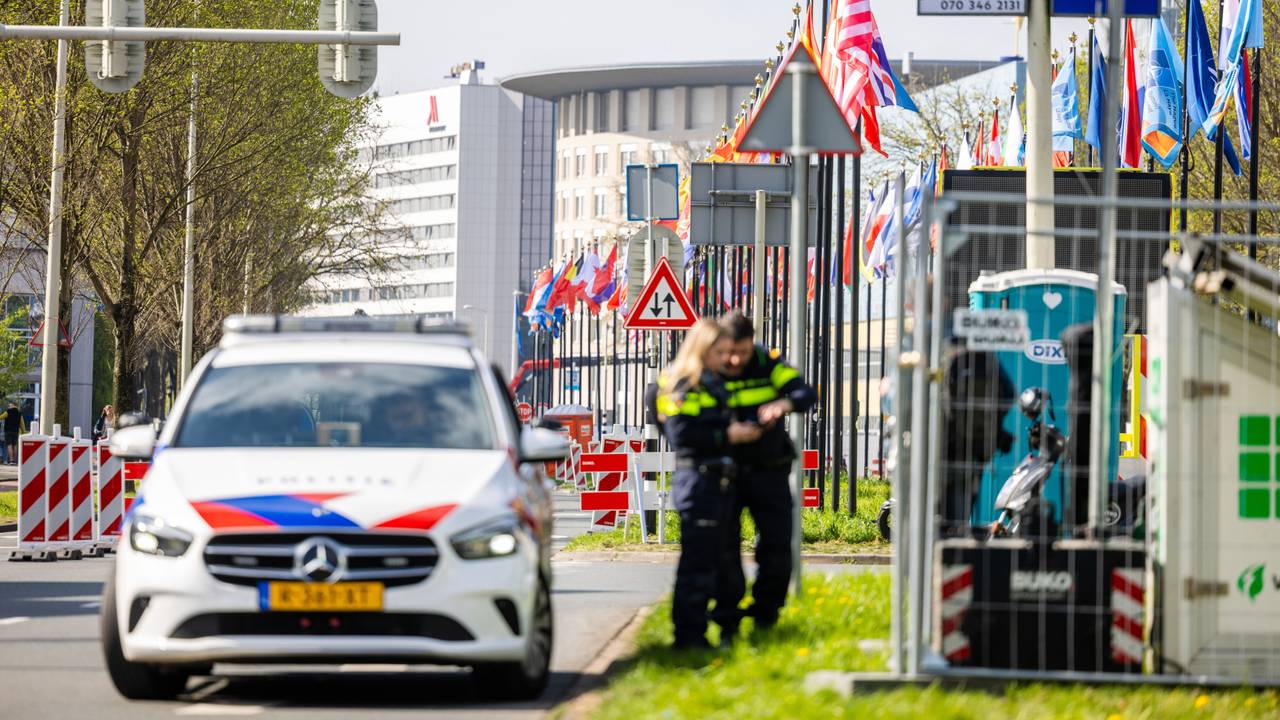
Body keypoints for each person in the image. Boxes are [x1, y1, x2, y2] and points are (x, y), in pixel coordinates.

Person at [653, 319, 762, 649]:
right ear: (701, 350)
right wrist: (727, 435)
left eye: (728, 351)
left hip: (719, 482)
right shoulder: (684, 384)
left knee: (726, 561)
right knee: (697, 565)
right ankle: (689, 638)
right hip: (698, 481)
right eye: (719, 352)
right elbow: (681, 434)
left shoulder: (713, 382)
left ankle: (725, 628)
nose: (725, 358)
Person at [715, 311, 817, 636]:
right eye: (731, 352)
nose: (735, 360)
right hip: (725, 472)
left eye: (743, 352)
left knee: (776, 545)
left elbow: (805, 393)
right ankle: (727, 617)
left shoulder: (767, 363)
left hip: (768, 469)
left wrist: (783, 405)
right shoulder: (711, 365)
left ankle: (766, 614)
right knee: (724, 547)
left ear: (752, 344)